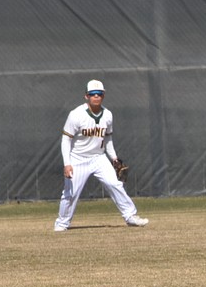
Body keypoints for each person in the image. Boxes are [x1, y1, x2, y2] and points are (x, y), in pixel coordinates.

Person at [53, 79, 149, 231]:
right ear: (86, 96)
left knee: (115, 184)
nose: (96, 96)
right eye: (92, 94)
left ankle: (130, 216)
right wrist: (67, 163)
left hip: (98, 158)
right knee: (70, 193)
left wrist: (114, 158)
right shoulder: (76, 115)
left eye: (99, 94)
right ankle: (62, 224)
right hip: (78, 158)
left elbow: (108, 138)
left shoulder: (108, 115)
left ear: (103, 95)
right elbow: (66, 140)